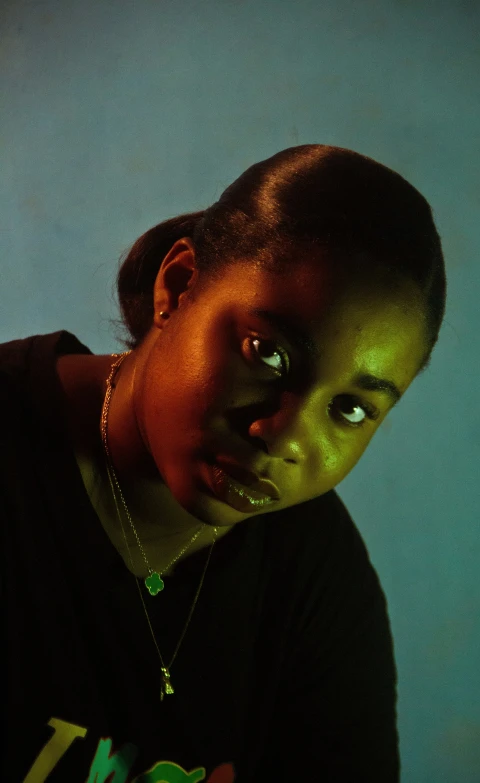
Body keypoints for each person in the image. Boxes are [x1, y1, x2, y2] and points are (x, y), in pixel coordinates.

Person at [0, 144, 446, 782]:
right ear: (179, 287)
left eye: (349, 410)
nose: (283, 436)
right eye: (267, 354)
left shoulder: (311, 574)